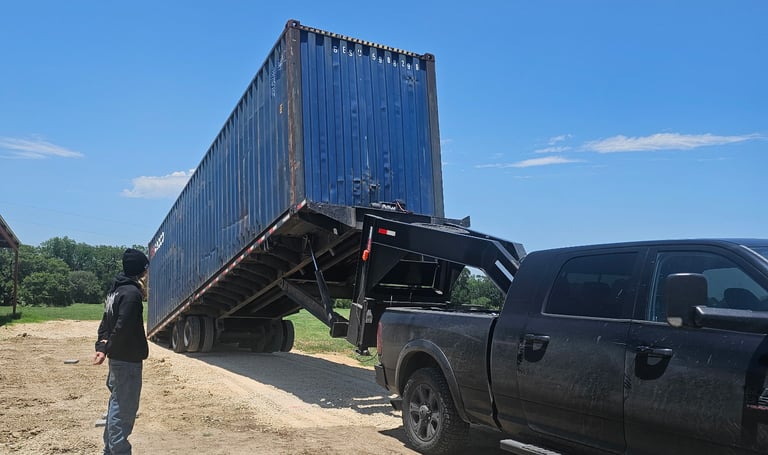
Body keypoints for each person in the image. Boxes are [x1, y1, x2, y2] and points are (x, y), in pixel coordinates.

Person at [93, 248, 150, 455]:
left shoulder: (115, 291)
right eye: (146, 269)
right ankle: (118, 452)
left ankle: (109, 451)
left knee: (116, 406)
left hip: (118, 359)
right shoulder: (132, 294)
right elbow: (122, 327)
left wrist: (102, 348)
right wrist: (106, 347)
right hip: (127, 361)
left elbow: (106, 323)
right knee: (123, 412)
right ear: (141, 270)